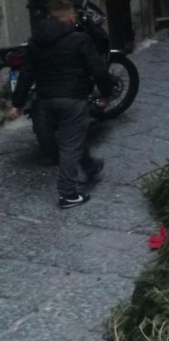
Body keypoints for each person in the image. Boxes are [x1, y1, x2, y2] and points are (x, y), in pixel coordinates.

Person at [9, 0, 112, 210]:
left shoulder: (35, 41)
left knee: (71, 138)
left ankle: (91, 168)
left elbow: (26, 74)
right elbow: (99, 70)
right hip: (72, 99)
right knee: (69, 145)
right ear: (70, 18)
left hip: (44, 101)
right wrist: (105, 94)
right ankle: (68, 195)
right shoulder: (80, 40)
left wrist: (18, 104)